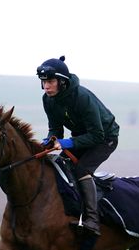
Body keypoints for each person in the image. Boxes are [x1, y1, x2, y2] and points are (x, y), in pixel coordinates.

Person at [37, 56, 120, 236]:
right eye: (43, 82)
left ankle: (92, 219)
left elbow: (97, 135)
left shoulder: (82, 97)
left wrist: (66, 143)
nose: (46, 87)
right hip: (83, 138)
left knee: (81, 170)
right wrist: (50, 141)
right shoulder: (48, 100)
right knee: (58, 165)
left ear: (62, 82)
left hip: (105, 139)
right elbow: (56, 129)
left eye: (50, 81)